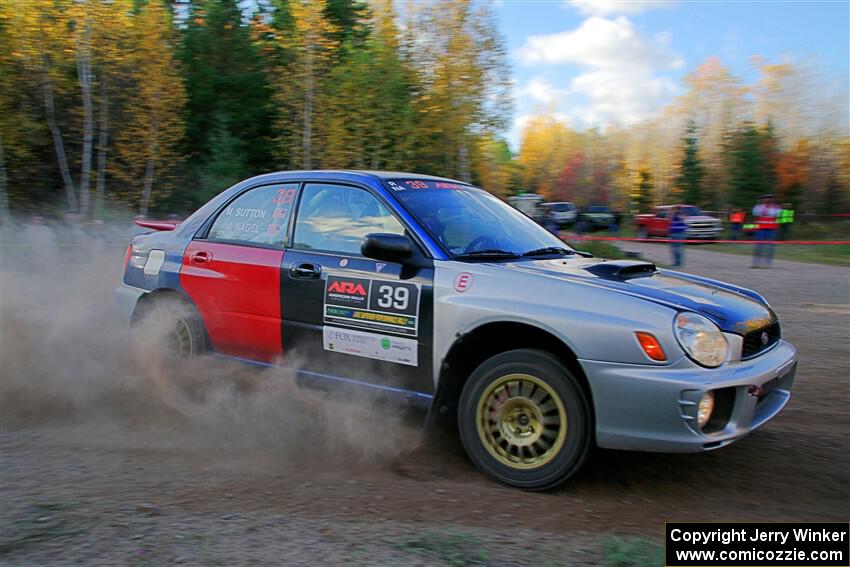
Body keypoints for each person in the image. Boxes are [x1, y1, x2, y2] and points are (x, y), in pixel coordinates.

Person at [751, 195, 780, 268]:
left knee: (769, 247)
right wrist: (761, 206)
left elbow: (775, 214)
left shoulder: (776, 207)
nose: (767, 200)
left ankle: (767, 264)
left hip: (771, 230)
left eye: (769, 198)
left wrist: (767, 209)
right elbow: (755, 212)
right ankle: (756, 264)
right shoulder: (759, 207)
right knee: (758, 246)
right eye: (765, 199)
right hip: (760, 229)